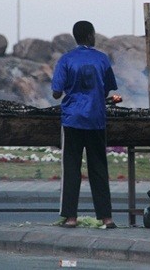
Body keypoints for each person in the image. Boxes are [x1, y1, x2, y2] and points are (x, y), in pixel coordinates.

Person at [51, 21, 118, 229]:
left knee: (71, 168)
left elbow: (56, 93)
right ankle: (106, 218)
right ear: (89, 36)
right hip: (96, 120)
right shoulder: (102, 59)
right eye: (94, 34)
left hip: (72, 120)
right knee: (98, 168)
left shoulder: (66, 59)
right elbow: (108, 90)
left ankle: (71, 217)